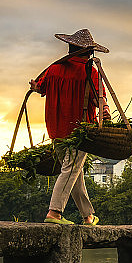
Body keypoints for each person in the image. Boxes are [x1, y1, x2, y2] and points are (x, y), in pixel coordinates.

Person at [30, 28, 110, 225]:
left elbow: (39, 86)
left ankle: (88, 216)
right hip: (79, 132)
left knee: (74, 171)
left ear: (70, 48)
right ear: (87, 52)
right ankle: (54, 213)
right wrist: (105, 111)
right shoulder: (89, 72)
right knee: (70, 170)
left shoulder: (54, 69)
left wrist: (34, 86)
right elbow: (99, 99)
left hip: (56, 130)